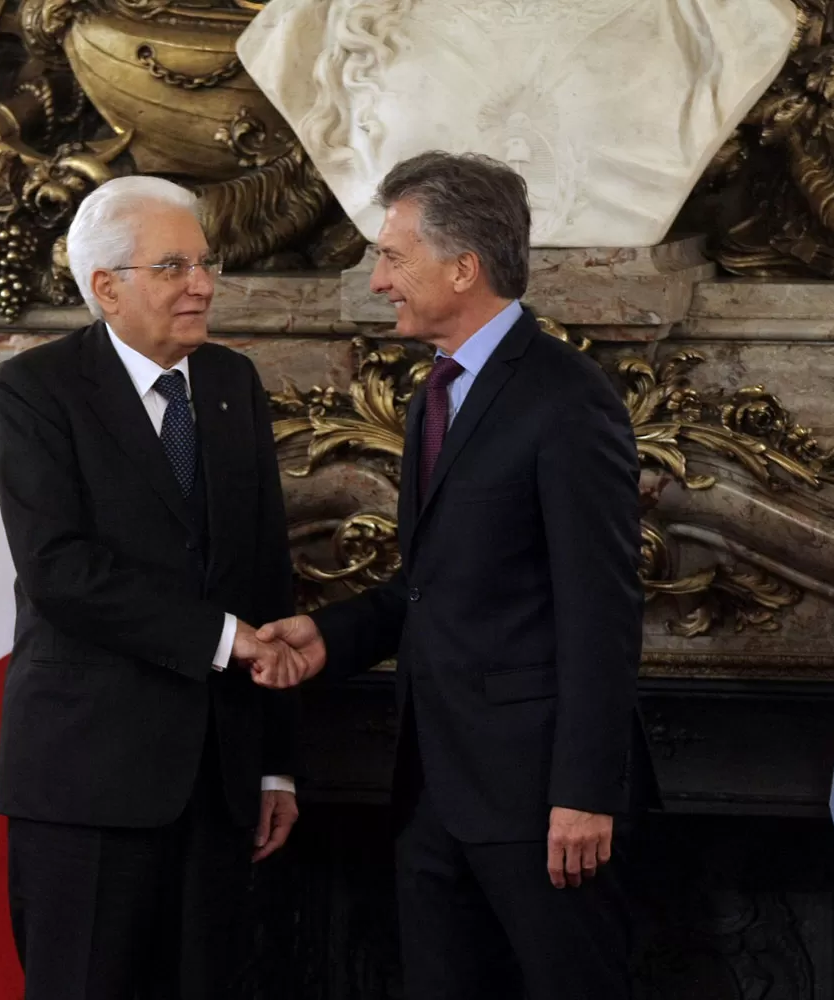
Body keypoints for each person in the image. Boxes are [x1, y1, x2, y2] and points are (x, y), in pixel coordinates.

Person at [251, 151, 656, 999]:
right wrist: (329, 635)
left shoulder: (565, 399)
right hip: (434, 793)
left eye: (393, 257)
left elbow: (602, 613)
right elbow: (433, 587)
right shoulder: (435, 394)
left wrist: (585, 794)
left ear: (463, 267)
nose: (377, 282)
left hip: (543, 805)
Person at [0, 175, 301, 1000]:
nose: (201, 284)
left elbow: (269, 570)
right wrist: (227, 641)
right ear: (107, 287)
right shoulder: (37, 391)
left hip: (222, 784)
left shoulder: (234, 383)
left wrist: (275, 766)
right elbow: (60, 571)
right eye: (173, 267)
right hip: (89, 781)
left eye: (204, 263)